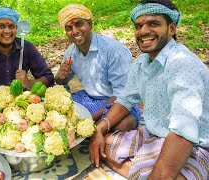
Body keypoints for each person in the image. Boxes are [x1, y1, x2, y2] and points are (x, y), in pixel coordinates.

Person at [89, 0, 209, 179]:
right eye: (139, 26)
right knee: (102, 145)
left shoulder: (182, 63)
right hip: (154, 135)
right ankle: (143, 170)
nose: (143, 31)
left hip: (194, 143)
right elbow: (125, 100)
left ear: (171, 29)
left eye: (153, 24)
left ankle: (141, 171)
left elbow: (184, 133)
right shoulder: (141, 63)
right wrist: (99, 129)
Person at [56, 4, 140, 130]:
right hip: (89, 99)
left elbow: (123, 94)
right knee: (56, 110)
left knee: (124, 124)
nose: (75, 31)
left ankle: (97, 128)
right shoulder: (70, 53)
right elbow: (61, 83)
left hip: (117, 102)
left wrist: (94, 118)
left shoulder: (113, 50)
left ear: (90, 24)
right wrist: (61, 77)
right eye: (69, 28)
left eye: (79, 24)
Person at [0, 7, 55, 93]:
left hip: (21, 102)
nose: (7, 31)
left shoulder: (26, 48)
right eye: (1, 26)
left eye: (11, 26)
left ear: (16, 28)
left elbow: (48, 77)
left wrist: (28, 83)